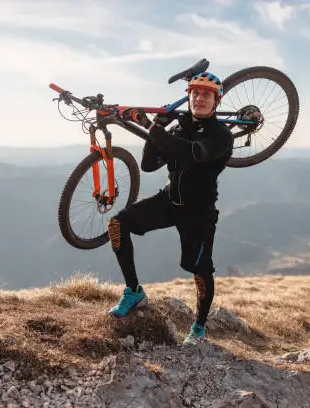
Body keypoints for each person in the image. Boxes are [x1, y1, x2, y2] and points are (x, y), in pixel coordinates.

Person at [107, 72, 233, 345]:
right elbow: (149, 164)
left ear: (216, 101)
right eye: (195, 93)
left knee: (199, 271)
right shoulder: (179, 127)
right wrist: (155, 134)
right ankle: (133, 291)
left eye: (206, 94)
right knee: (117, 225)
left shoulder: (221, 135)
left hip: (198, 213)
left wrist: (152, 128)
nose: (199, 98)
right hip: (168, 201)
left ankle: (199, 327)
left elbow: (192, 153)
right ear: (188, 96)